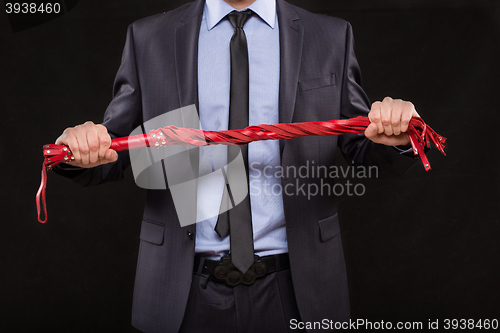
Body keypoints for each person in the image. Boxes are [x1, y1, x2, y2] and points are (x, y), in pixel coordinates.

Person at [54, 0, 420, 332]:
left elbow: (362, 145)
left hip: (297, 287)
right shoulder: (150, 37)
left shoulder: (329, 36)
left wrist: (401, 137)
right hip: (181, 289)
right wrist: (77, 150)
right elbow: (116, 152)